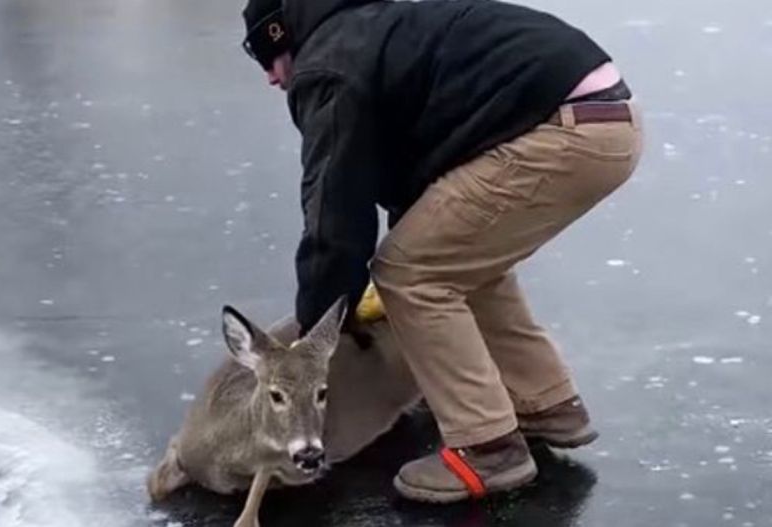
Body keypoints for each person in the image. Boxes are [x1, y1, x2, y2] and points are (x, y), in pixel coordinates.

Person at [241, 0, 643, 503]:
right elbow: (413, 177)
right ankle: (545, 402)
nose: (269, 77)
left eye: (263, 53)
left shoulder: (327, 66)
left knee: (411, 274)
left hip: (560, 131)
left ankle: (488, 447)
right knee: (458, 256)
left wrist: (319, 328)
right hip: (605, 119)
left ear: (283, 33)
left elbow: (334, 208)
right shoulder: (374, 30)